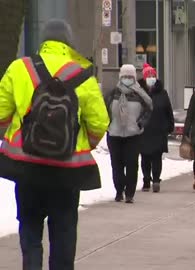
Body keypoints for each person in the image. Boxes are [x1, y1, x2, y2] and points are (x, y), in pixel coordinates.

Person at [0, 19, 109, 270]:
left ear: (44, 41)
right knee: (64, 229)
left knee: (29, 226)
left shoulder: (20, 69)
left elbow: (2, 113)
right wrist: (81, 144)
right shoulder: (83, 75)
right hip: (66, 172)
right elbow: (99, 122)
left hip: (26, 167)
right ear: (68, 43)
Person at [105, 64, 153, 203]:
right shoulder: (113, 93)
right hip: (114, 134)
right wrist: (107, 124)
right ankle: (119, 191)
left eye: (130, 76)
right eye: (124, 76)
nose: (127, 79)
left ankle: (130, 193)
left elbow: (149, 108)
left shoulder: (140, 94)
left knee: (132, 164)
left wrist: (141, 123)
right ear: (120, 77)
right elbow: (103, 109)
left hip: (133, 135)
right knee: (117, 164)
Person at [138, 63, 174, 193]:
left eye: (153, 75)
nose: (151, 78)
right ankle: (146, 180)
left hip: (159, 129)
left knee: (157, 157)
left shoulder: (162, 93)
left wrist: (170, 125)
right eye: (149, 75)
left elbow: (168, 110)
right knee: (145, 157)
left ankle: (156, 180)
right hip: (144, 130)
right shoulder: (139, 92)